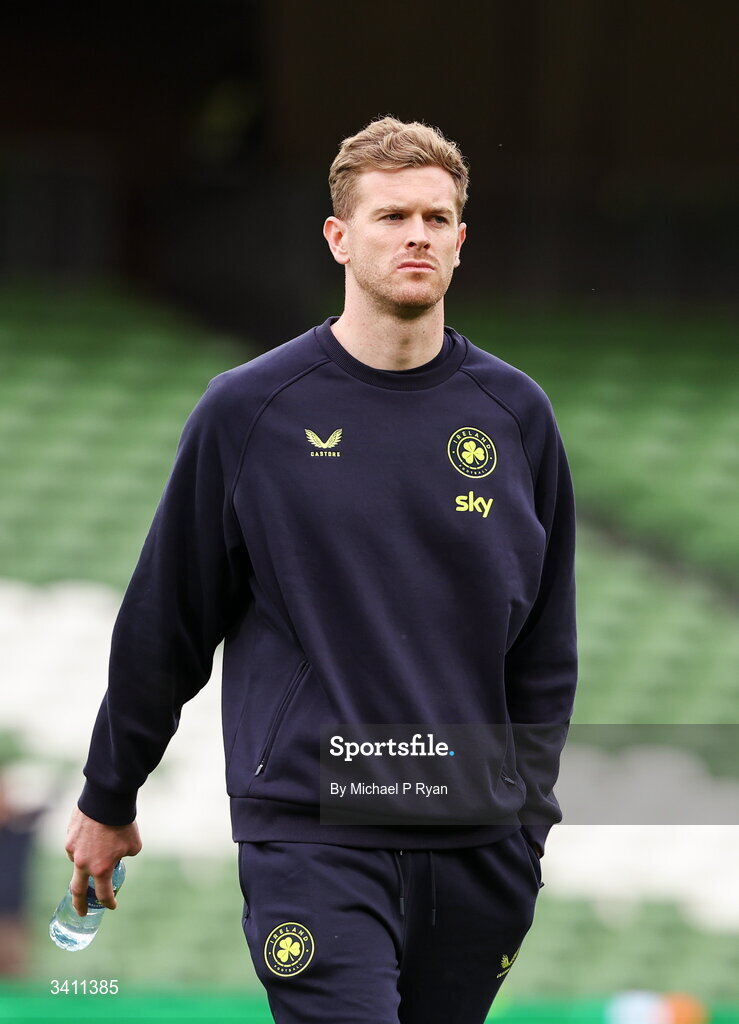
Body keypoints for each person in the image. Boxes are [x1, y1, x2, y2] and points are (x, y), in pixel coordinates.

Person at [65, 116, 577, 1024]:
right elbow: (166, 620)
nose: (415, 233)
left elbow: (543, 647)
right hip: (312, 828)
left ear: (460, 238)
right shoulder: (249, 410)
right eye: (389, 216)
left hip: (477, 845)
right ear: (339, 237)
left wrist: (524, 820)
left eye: (435, 216)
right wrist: (110, 794)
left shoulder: (516, 415)